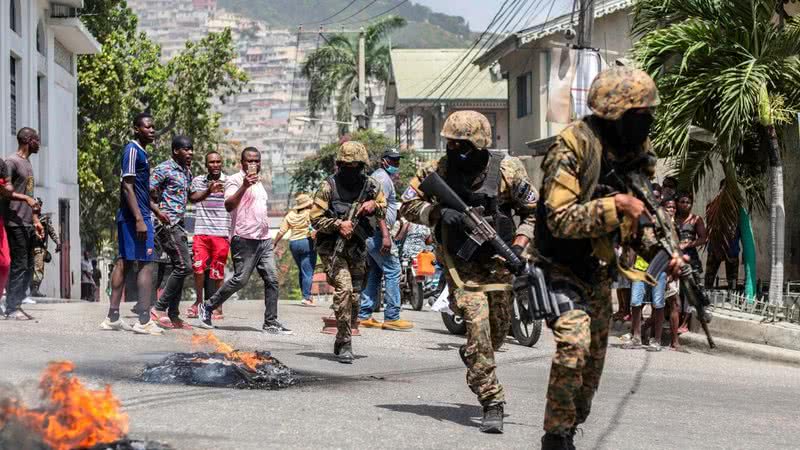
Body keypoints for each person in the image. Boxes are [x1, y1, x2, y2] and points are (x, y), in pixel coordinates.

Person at [535, 67, 685, 448]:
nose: (647, 121)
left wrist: (665, 252)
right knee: (574, 346)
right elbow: (559, 219)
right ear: (615, 113)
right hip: (559, 268)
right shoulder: (572, 147)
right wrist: (615, 204)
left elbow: (643, 218)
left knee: (590, 374)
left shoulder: (637, 152)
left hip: (599, 271)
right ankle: (555, 439)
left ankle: (568, 426)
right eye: (640, 114)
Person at [401, 110, 537, 434]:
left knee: (498, 331)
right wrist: (435, 212)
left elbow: (533, 213)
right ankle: (492, 400)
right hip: (458, 263)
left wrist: (518, 247)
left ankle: (473, 354)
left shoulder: (507, 170)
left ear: (480, 145)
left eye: (463, 146)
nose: (456, 151)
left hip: (499, 261)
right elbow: (406, 204)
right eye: (451, 144)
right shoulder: (437, 171)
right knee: (477, 324)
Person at [197, 147, 291, 335]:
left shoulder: (260, 183)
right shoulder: (234, 180)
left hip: (263, 239)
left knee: (272, 280)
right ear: (242, 163)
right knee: (241, 280)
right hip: (244, 239)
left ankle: (270, 322)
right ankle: (207, 306)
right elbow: (228, 205)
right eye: (249, 161)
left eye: (257, 161)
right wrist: (245, 186)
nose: (253, 164)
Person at [310, 141, 388, 363]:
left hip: (358, 247)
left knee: (355, 296)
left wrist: (374, 205)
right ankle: (345, 342)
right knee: (343, 290)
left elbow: (384, 207)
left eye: (356, 166)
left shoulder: (371, 186)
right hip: (332, 247)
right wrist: (337, 224)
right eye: (347, 165)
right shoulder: (328, 187)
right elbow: (315, 219)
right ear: (339, 165)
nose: (351, 170)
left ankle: (345, 331)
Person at [100, 113, 163, 336]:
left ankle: (113, 318)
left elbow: (137, 187)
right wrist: (139, 219)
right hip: (134, 217)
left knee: (125, 262)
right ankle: (144, 320)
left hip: (140, 213)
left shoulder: (142, 152)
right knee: (146, 264)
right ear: (136, 129)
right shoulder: (132, 150)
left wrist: (152, 204)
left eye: (154, 126)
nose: (152, 130)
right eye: (148, 127)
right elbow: (127, 186)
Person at [358, 149, 414, 331]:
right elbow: (377, 209)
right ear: (384, 161)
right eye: (393, 160)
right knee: (393, 270)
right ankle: (391, 317)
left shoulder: (380, 177)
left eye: (398, 160)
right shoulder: (382, 178)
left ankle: (364, 314)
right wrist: (385, 236)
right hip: (377, 232)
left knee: (375, 271)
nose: (396, 164)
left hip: (372, 233)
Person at [149, 136, 194, 329]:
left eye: (191, 149)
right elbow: (144, 193)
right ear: (176, 151)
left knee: (180, 267)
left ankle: (174, 315)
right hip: (167, 224)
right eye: (186, 149)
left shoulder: (186, 172)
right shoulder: (163, 169)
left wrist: (209, 190)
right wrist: (159, 212)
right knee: (184, 266)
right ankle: (159, 308)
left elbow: (192, 196)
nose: (190, 153)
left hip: (179, 224)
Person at [3, 127, 45, 320]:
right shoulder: (11, 162)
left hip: (27, 222)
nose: (39, 143)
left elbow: (29, 194)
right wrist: (25, 200)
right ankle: (12, 307)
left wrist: (36, 220)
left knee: (28, 266)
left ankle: (16, 303)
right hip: (14, 221)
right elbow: (3, 190)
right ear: (28, 140)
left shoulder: (27, 164)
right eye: (36, 139)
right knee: (19, 265)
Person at [187, 151, 230, 319]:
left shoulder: (229, 181)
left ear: (222, 163)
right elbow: (193, 198)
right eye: (211, 162)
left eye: (218, 161)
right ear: (206, 165)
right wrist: (209, 190)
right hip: (201, 233)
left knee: (217, 271)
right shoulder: (198, 181)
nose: (215, 165)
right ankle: (199, 302)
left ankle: (217, 306)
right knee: (198, 268)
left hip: (221, 233)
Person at [274, 193, 318, 307]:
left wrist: (274, 243)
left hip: (293, 243)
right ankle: (306, 297)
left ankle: (306, 295)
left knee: (302, 270)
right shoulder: (310, 213)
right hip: (306, 242)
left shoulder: (290, 214)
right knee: (307, 271)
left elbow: (282, 231)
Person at [675, 191, 707, 333]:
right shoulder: (672, 218)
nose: (685, 204)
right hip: (674, 257)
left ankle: (685, 322)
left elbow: (703, 238)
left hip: (690, 259)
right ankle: (673, 319)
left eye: (688, 202)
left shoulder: (696, 219)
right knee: (674, 290)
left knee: (690, 291)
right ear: (677, 203)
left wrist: (688, 245)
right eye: (682, 201)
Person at [705, 181, 740, 290]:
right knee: (709, 280)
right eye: (723, 189)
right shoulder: (712, 206)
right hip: (715, 248)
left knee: (732, 282)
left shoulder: (738, 209)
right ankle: (707, 300)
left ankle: (733, 301)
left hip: (732, 250)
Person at [30, 206, 60, 298]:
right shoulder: (26, 217)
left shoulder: (44, 219)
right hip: (27, 248)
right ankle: (31, 290)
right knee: (29, 269)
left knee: (38, 268)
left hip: (39, 248)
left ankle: (35, 289)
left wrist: (58, 242)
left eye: (37, 205)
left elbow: (51, 231)